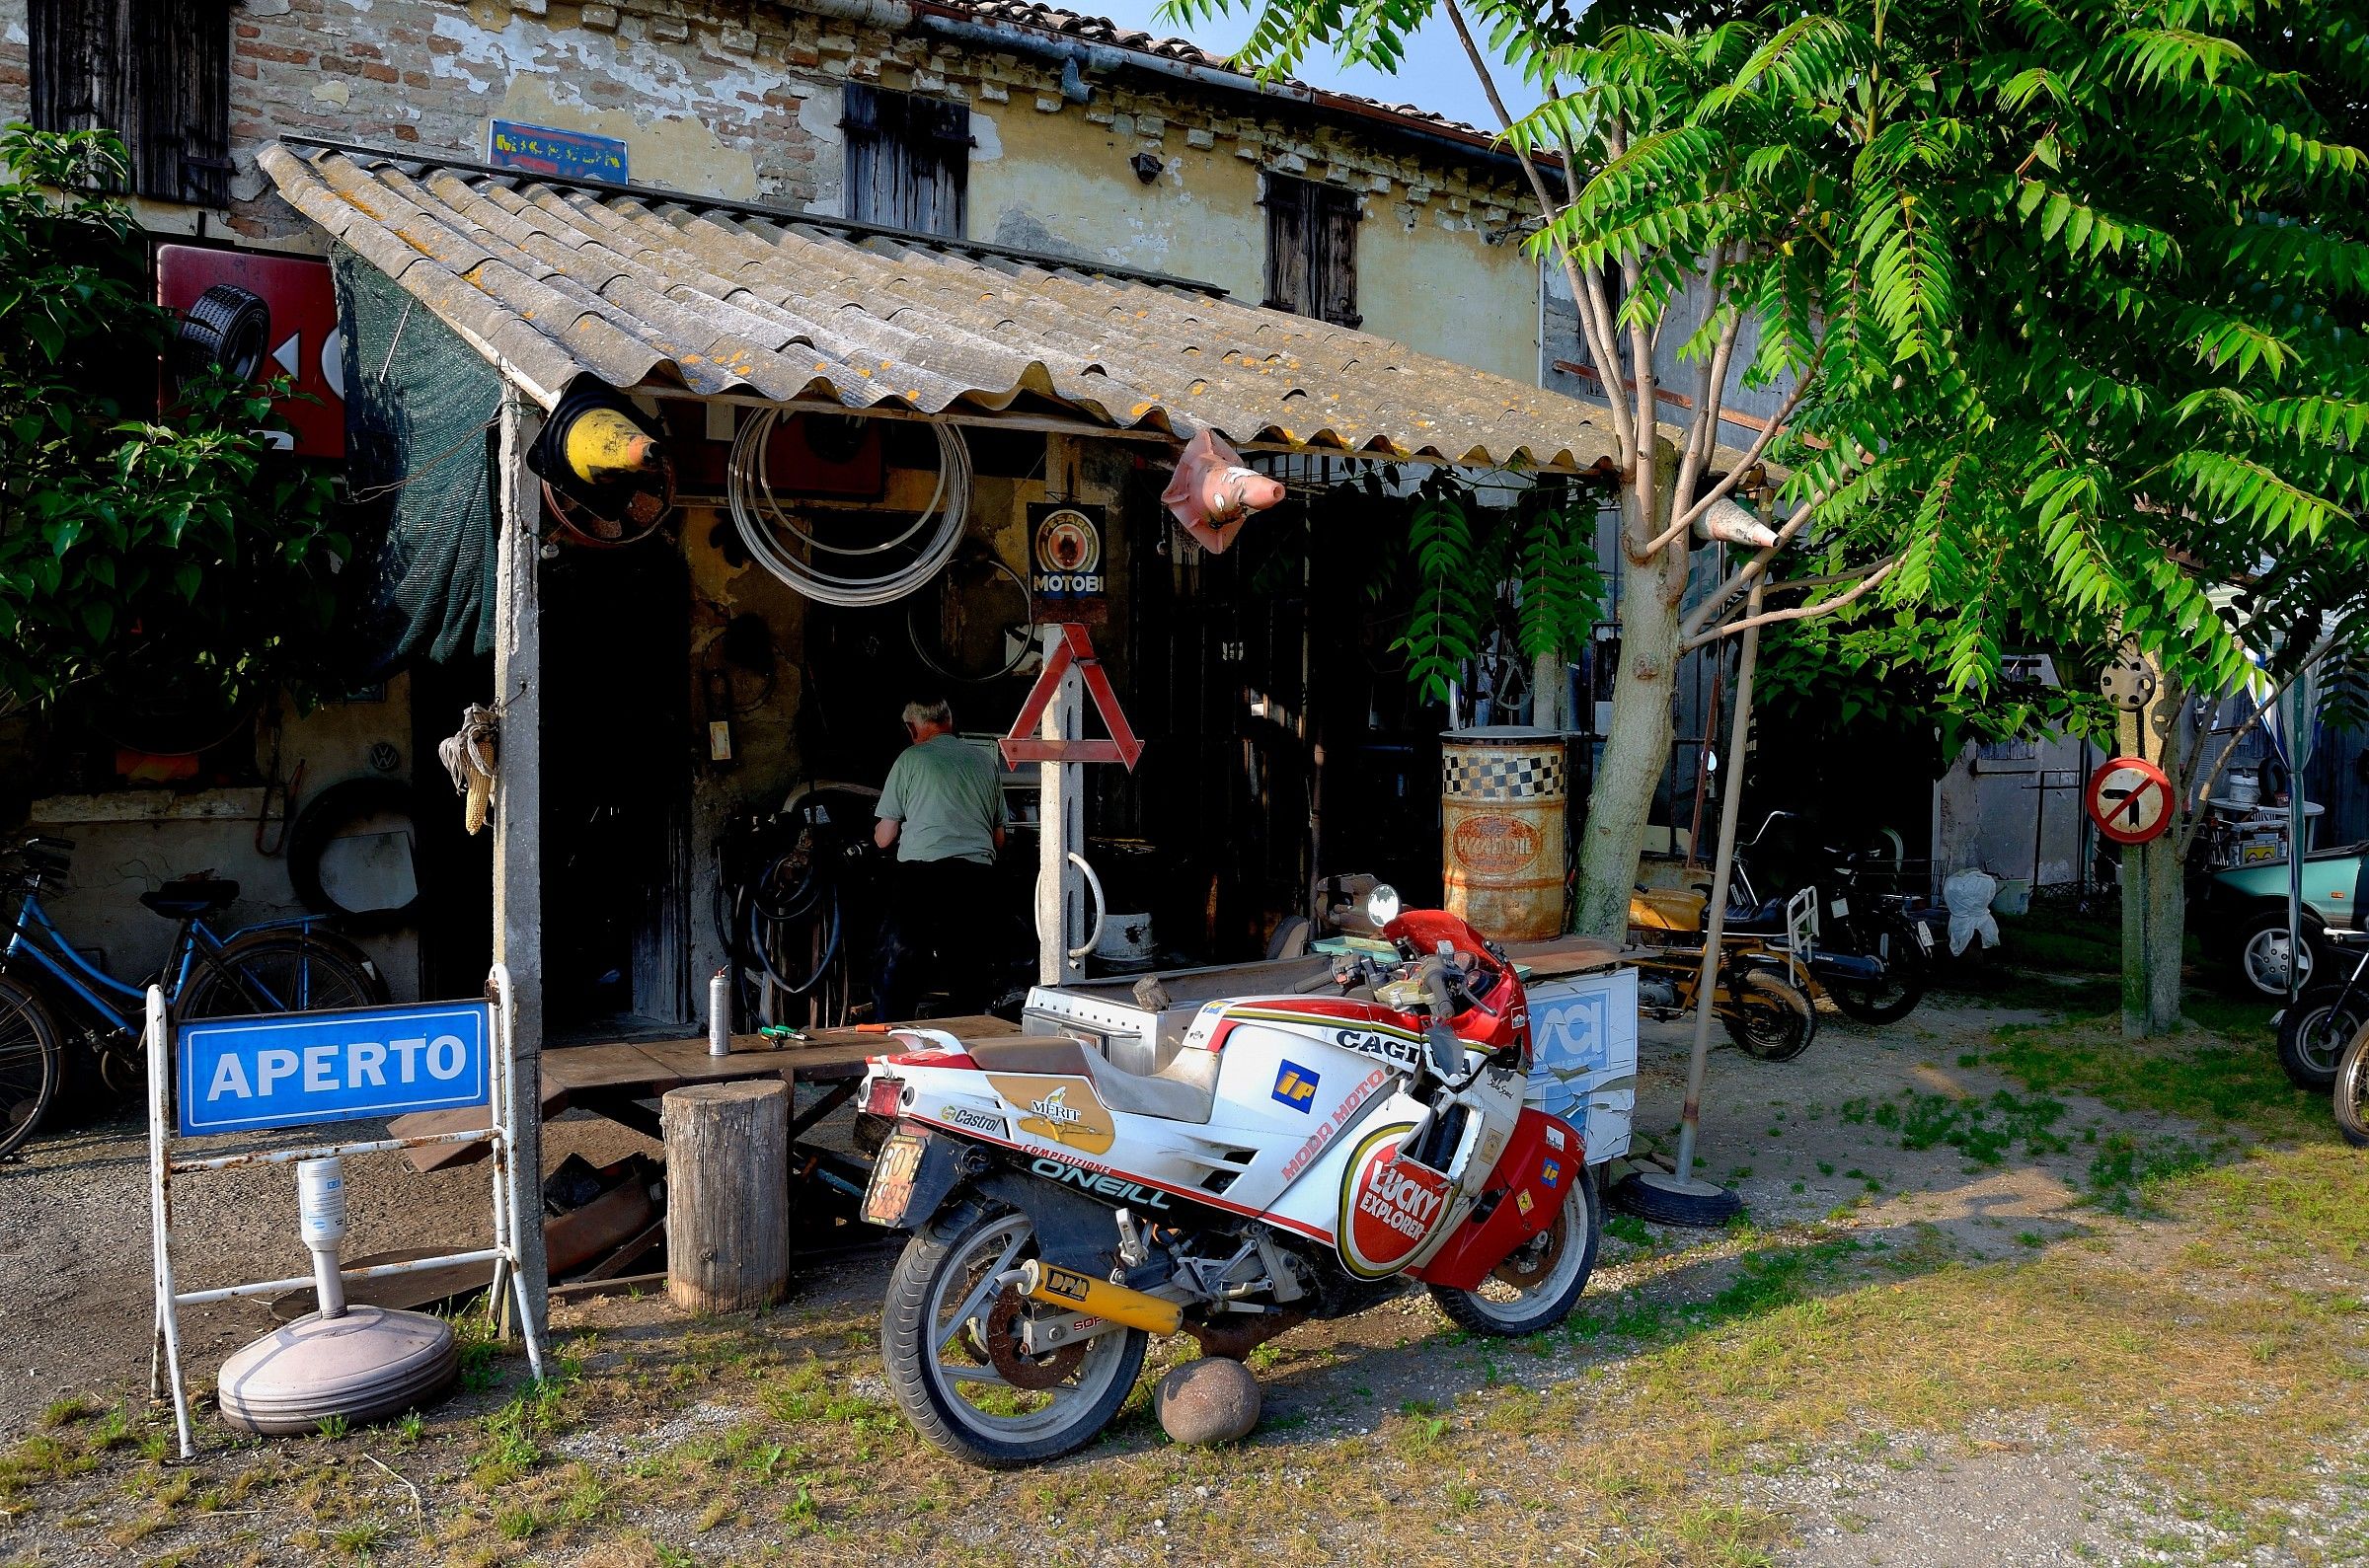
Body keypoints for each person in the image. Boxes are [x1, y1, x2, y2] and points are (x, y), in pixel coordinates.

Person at [872, 695, 1007, 1021]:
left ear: (913, 727)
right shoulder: (984, 762)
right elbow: (999, 839)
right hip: (975, 878)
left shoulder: (910, 759)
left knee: (900, 964)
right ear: (950, 722)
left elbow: (885, 836)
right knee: (969, 966)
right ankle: (969, 1038)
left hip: (921, 878)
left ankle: (892, 1035)